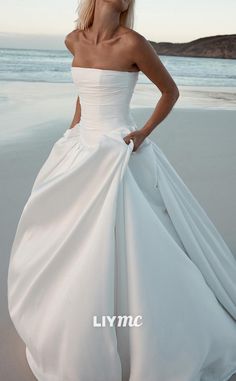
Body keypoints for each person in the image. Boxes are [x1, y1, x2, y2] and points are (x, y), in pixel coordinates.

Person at [7, 1, 236, 380]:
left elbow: (170, 92)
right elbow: (84, 93)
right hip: (81, 147)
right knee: (65, 236)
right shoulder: (72, 40)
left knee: (133, 241)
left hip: (120, 149)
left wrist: (142, 134)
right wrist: (71, 133)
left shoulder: (133, 43)